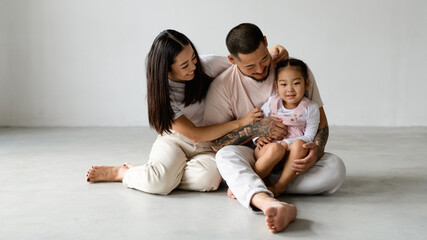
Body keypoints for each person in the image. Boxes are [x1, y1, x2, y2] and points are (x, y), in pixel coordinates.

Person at [86, 29, 288, 195]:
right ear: (166, 70)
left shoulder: (206, 65)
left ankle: (159, 174)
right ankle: (124, 173)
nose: (193, 66)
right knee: (159, 184)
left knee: (209, 180)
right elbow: (194, 134)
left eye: (193, 58)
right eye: (185, 65)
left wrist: (273, 51)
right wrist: (242, 123)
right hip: (176, 140)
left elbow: (243, 62)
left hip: (210, 144)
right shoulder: (162, 94)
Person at [203, 23, 346, 233]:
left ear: (267, 43)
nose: (261, 69)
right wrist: (255, 130)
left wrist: (315, 150)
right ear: (233, 60)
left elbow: (320, 125)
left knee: (336, 169)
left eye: (263, 60)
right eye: (250, 67)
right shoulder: (223, 86)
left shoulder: (293, 71)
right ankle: (267, 191)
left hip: (293, 159)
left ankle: (251, 184)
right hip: (256, 154)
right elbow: (215, 143)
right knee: (225, 156)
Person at [252, 58, 320, 197]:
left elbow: (309, 137)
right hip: (269, 149)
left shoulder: (311, 108)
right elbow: (258, 124)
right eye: (283, 84)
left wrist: (286, 143)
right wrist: (259, 138)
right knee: (275, 148)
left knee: (301, 144)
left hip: (291, 154)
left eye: (296, 83)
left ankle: (280, 186)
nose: (290, 89)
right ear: (277, 86)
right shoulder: (272, 102)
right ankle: (250, 183)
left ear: (306, 83)